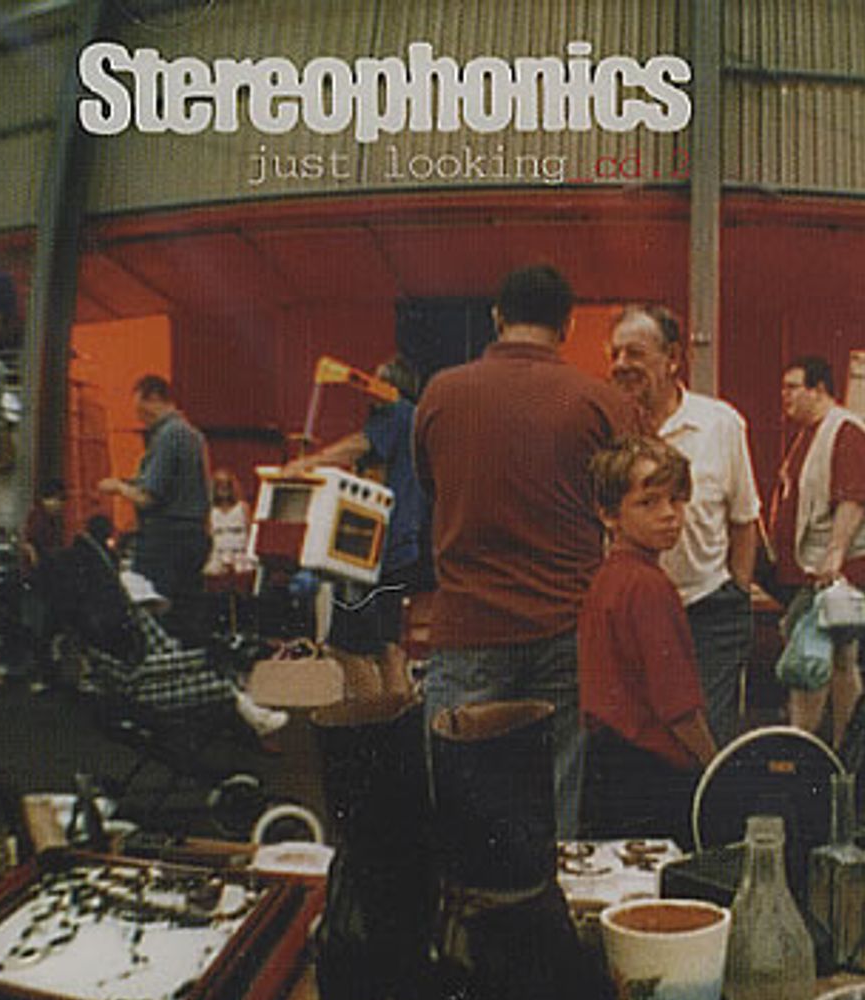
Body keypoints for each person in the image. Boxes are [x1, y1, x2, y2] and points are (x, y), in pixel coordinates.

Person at [414, 265, 634, 837]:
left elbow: (432, 486)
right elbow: (629, 497)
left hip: (469, 624)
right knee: (554, 794)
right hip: (567, 624)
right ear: (567, 325)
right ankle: (545, 891)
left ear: (497, 317)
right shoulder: (601, 402)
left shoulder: (440, 393)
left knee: (457, 796)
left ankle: (461, 894)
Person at [608, 304, 761, 746]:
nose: (621, 364)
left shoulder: (720, 424)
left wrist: (738, 593)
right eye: (615, 353)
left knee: (705, 739)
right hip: (634, 613)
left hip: (707, 611)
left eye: (635, 353)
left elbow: (744, 518)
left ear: (672, 357)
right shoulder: (608, 427)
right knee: (645, 740)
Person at [579, 435, 717, 848]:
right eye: (648, 502)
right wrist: (714, 767)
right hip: (651, 772)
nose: (669, 514)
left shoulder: (609, 577)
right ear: (609, 514)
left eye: (676, 500)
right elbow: (678, 707)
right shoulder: (648, 586)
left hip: (607, 761)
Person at [50, 516, 287, 739]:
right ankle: (252, 720)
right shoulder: (124, 621)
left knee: (207, 655)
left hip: (142, 676)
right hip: (144, 689)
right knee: (216, 672)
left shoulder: (109, 620)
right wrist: (205, 654)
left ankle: (250, 715)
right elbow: (142, 668)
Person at [284, 354, 432, 708]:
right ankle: (399, 719)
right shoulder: (414, 419)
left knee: (345, 646)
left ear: (391, 385)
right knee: (388, 646)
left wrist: (306, 463)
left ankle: (375, 720)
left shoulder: (395, 413)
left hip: (376, 551)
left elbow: (359, 445)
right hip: (403, 548)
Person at [767, 355, 865, 751]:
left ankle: (810, 747)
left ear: (818, 390)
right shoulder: (812, 434)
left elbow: (854, 497)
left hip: (837, 575)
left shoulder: (846, 432)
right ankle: (836, 748)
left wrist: (835, 555)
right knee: (835, 661)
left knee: (816, 658)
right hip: (814, 571)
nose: (784, 395)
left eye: (792, 387)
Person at [98, 375, 212, 626]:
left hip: (165, 540)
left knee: (153, 610)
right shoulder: (194, 436)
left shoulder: (168, 436)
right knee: (186, 616)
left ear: (154, 399)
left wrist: (117, 487)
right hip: (193, 536)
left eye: (141, 410)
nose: (140, 419)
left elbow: (148, 497)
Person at [20, 478, 66, 691]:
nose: (59, 504)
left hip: (44, 578)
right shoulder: (39, 519)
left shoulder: (49, 519)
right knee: (40, 626)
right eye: (56, 499)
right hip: (38, 579)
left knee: (44, 626)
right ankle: (39, 674)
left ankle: (45, 673)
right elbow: (31, 544)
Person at [203, 469, 251, 580]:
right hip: (217, 557)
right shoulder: (210, 511)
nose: (223, 489)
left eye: (226, 485)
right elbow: (208, 536)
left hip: (240, 556)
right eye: (219, 485)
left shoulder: (243, 508)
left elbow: (250, 534)